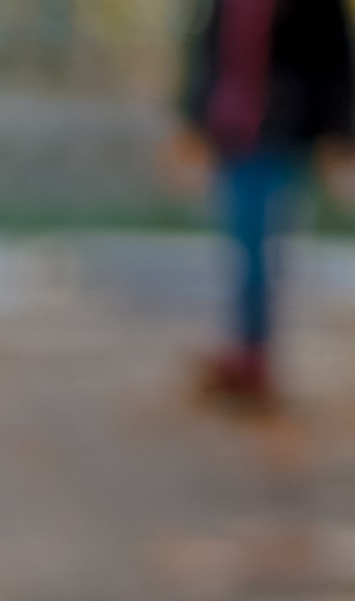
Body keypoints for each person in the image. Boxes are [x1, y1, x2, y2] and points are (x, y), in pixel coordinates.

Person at [175, 0, 354, 407]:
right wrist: (192, 120)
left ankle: (253, 355)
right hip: (231, 133)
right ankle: (247, 349)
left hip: (284, 133)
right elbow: (209, 54)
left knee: (261, 246)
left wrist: (340, 135)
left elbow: (336, 63)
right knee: (242, 243)